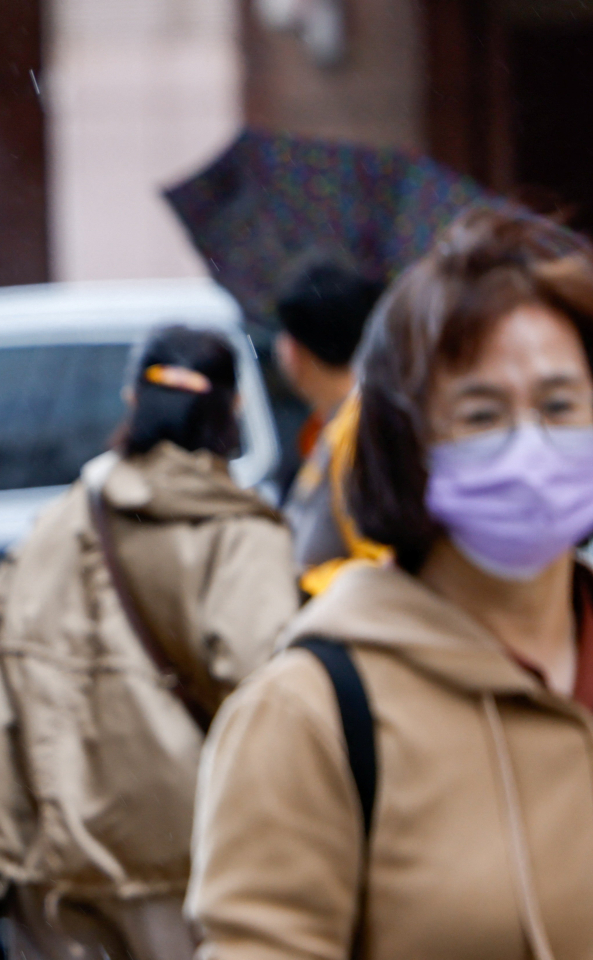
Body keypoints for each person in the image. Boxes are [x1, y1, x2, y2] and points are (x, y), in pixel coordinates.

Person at [187, 206, 593, 959]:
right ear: (410, 443)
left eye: (560, 406)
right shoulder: (311, 715)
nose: (531, 447)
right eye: (482, 413)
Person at [0, 325, 299, 960]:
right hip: (184, 858)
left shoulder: (55, 524)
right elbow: (274, 702)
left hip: (46, 866)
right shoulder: (241, 538)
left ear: (130, 400)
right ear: (235, 409)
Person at [275, 261, 387, 593]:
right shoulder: (337, 422)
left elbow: (381, 563)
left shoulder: (361, 428)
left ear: (295, 351)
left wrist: (304, 583)